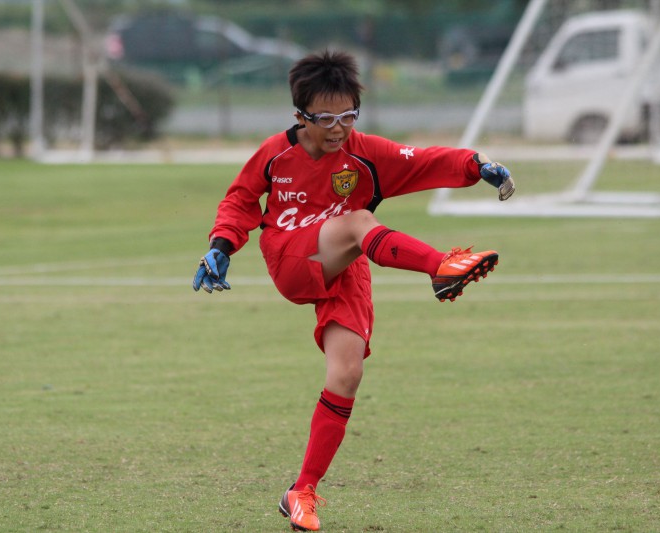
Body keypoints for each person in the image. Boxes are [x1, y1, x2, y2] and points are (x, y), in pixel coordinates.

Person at [193, 50, 514, 532]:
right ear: (300, 115)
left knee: (346, 374)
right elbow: (240, 200)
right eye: (325, 118)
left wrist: (475, 164)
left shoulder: (365, 153)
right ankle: (439, 266)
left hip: (345, 267)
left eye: (348, 115)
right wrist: (221, 245)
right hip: (291, 258)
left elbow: (424, 161)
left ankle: (301, 492)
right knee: (359, 220)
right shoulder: (275, 154)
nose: (338, 127)